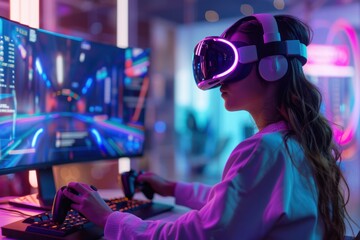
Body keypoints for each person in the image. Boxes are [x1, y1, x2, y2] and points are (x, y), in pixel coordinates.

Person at [64, 13, 352, 240]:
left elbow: (200, 234)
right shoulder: (293, 142)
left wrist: (107, 218)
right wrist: (173, 188)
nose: (220, 81)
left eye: (232, 62)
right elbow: (239, 205)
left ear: (272, 66)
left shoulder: (266, 149)